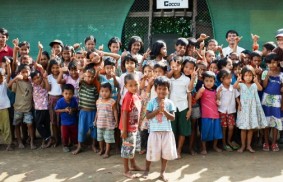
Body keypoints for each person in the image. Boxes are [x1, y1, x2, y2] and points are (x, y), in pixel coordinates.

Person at [143, 76, 177, 181]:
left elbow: (172, 118)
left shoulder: (170, 103)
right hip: (154, 132)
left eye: (164, 89)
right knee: (151, 152)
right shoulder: (152, 102)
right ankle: (146, 170)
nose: (162, 91)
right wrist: (158, 110)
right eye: (159, 88)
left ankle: (162, 172)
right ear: (155, 89)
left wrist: (164, 111)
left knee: (165, 153)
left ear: (168, 90)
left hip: (167, 132)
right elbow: (147, 116)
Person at [234, 65, 268, 153]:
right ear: (242, 76)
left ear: (253, 76)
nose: (248, 77)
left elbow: (260, 88)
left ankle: (249, 146)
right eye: (246, 75)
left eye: (250, 75)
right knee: (243, 129)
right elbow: (234, 87)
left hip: (252, 109)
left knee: (250, 129)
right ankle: (243, 146)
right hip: (244, 109)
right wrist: (237, 81)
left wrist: (256, 81)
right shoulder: (241, 85)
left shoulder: (254, 85)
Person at [119, 73, 143, 179]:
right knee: (126, 149)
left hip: (134, 127)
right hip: (127, 128)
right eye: (131, 85)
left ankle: (133, 165)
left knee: (131, 148)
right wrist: (124, 130)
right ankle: (126, 170)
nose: (134, 87)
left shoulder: (136, 95)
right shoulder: (128, 97)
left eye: (136, 85)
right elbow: (124, 113)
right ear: (125, 86)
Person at [72, 66, 99, 155]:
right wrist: (84, 73)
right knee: (82, 130)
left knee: (94, 130)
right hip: (83, 112)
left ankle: (93, 145)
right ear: (84, 76)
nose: (90, 78)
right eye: (88, 76)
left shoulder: (94, 87)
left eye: (92, 77)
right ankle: (80, 146)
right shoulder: (81, 84)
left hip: (93, 112)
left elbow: (96, 99)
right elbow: (79, 79)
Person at [8, 64, 35, 149]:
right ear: (20, 73)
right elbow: (8, 86)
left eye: (27, 72)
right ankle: (19, 141)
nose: (25, 74)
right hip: (18, 108)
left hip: (28, 109)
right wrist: (15, 78)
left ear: (30, 72)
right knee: (17, 125)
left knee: (30, 124)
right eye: (23, 72)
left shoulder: (32, 81)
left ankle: (31, 141)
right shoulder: (18, 82)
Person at [169, 56, 192, 158]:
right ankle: (172, 150)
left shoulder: (186, 79)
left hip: (183, 107)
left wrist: (190, 109)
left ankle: (179, 151)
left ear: (181, 66)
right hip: (171, 108)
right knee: (172, 130)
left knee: (183, 130)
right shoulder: (168, 79)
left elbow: (189, 94)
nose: (175, 67)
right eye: (173, 65)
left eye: (177, 65)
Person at [195, 71, 223, 155]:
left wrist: (218, 94)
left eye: (211, 81)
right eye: (206, 81)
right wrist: (200, 91)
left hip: (215, 114)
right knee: (205, 132)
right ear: (203, 81)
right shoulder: (202, 90)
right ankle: (204, 148)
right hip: (205, 115)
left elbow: (217, 99)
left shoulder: (215, 90)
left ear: (214, 81)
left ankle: (214, 146)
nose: (209, 83)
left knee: (216, 132)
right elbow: (196, 98)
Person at [261, 53, 283, 152]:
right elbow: (264, 86)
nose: (272, 65)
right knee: (266, 121)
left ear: (278, 62)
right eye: (269, 63)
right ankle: (266, 142)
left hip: (277, 101)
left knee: (275, 122)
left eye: (274, 63)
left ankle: (274, 142)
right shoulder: (265, 73)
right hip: (266, 100)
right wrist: (267, 76)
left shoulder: (282, 74)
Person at [217, 69, 240, 151]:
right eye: (227, 78)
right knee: (224, 128)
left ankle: (229, 141)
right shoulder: (219, 88)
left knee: (231, 127)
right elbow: (217, 100)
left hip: (231, 111)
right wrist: (218, 94)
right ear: (221, 79)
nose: (230, 80)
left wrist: (239, 105)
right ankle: (224, 143)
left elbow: (237, 97)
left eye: (230, 78)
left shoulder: (233, 87)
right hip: (222, 111)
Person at [95, 83, 118, 158]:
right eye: (102, 91)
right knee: (100, 138)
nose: (104, 93)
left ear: (110, 92)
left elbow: (115, 111)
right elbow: (97, 111)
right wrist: (95, 120)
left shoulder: (112, 101)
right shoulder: (98, 101)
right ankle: (102, 149)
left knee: (108, 139)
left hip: (109, 124)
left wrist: (116, 121)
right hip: (100, 123)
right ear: (100, 92)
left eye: (106, 91)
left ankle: (107, 152)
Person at [31, 69, 53, 148]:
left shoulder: (43, 83)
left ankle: (48, 138)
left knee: (41, 124)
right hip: (38, 108)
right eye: (35, 78)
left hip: (44, 107)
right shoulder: (33, 85)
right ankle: (47, 138)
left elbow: (48, 88)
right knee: (40, 124)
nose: (37, 79)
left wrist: (45, 78)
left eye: (38, 77)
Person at [55, 84, 78, 153]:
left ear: (73, 94)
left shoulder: (74, 100)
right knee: (65, 135)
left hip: (73, 121)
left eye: (70, 94)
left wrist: (72, 110)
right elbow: (56, 110)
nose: (68, 95)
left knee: (74, 134)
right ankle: (65, 145)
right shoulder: (60, 101)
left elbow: (76, 108)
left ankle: (75, 143)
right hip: (64, 123)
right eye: (66, 93)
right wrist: (64, 110)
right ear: (62, 93)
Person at [47, 60, 62, 147]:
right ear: (50, 68)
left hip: (61, 99)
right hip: (52, 99)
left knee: (61, 121)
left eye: (57, 67)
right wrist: (45, 78)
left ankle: (62, 138)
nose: (55, 69)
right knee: (53, 121)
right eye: (53, 68)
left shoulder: (63, 76)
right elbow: (48, 89)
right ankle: (56, 140)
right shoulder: (49, 77)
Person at [0, 60, 12, 150]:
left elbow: (9, 75)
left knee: (6, 126)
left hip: (4, 108)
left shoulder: (3, 84)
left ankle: (8, 143)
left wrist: (8, 65)